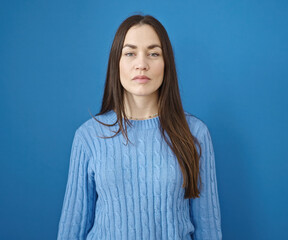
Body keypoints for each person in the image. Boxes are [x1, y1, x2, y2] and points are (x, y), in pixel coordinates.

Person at [57, 14, 222, 240]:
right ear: (117, 63)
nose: (141, 64)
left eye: (154, 54)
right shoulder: (88, 136)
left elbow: (208, 229)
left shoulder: (195, 134)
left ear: (167, 64)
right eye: (130, 53)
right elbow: (71, 229)